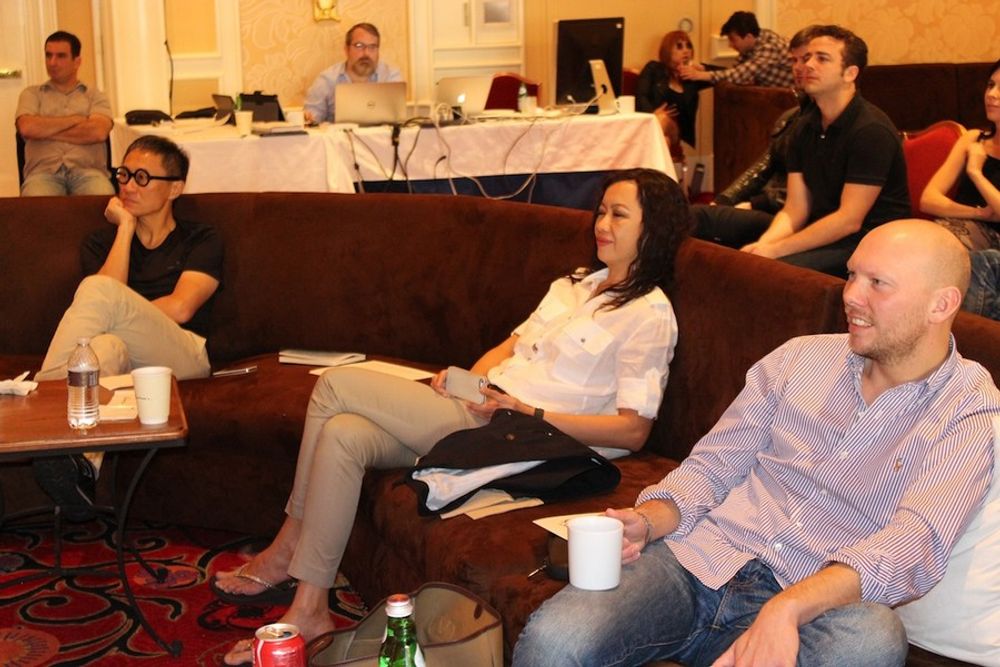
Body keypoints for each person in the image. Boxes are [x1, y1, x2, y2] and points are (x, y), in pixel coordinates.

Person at [212, 168, 690, 665]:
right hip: (485, 412)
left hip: (525, 436)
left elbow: (633, 431)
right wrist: (472, 381)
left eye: (619, 214)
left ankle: (287, 543)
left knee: (333, 385)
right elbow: (510, 346)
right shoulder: (574, 285)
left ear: (652, 229)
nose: (601, 222)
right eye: (600, 210)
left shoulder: (648, 315)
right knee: (343, 433)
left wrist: (528, 410)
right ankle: (310, 606)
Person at [513, 218, 1000, 667]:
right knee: (556, 641)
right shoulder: (799, 359)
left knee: (872, 640)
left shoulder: (968, 409)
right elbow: (712, 466)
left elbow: (916, 544)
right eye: (852, 276)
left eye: (878, 284)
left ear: (941, 304)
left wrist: (786, 608)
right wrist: (649, 520)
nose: (851, 295)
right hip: (699, 560)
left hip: (815, 602)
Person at [32, 136, 224, 517]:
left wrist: (122, 311)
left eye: (141, 177)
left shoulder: (202, 239)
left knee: (99, 293)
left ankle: (41, 404)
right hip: (124, 364)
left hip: (182, 358)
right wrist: (124, 229)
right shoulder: (101, 242)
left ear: (175, 188)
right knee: (100, 351)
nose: (128, 185)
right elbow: (103, 307)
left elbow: (182, 307)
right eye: (123, 175)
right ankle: (81, 468)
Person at [740, 25, 910, 278]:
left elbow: (848, 220)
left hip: (871, 240)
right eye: (807, 57)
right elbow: (795, 209)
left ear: (850, 73)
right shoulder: (804, 126)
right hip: (822, 229)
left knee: (775, 272)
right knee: (713, 223)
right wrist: (764, 246)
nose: (808, 65)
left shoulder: (871, 131)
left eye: (822, 59)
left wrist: (776, 251)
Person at [693, 26, 815, 248]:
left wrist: (754, 204)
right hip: (776, 208)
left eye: (808, 59)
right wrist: (724, 200)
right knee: (695, 217)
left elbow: (810, 195)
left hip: (790, 215)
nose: (800, 68)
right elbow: (764, 166)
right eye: (794, 61)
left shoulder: (831, 124)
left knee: (693, 219)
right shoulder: (793, 116)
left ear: (849, 71)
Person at [15, 30, 114, 197]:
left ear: (77, 61)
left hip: (89, 173)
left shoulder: (96, 96)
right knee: (35, 206)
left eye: (60, 56)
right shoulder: (31, 94)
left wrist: (46, 129)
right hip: (42, 174)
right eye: (48, 55)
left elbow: (97, 132)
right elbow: (27, 128)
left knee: (104, 200)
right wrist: (77, 120)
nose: (52, 62)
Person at [921, 57, 1000, 252]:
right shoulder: (972, 139)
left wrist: (975, 173)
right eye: (990, 85)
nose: (992, 94)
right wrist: (980, 213)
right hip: (958, 230)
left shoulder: (975, 153)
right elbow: (928, 200)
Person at [303, 22, 403, 124]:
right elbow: (311, 123)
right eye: (359, 46)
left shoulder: (390, 76)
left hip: (382, 139)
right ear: (347, 49)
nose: (366, 53)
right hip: (339, 139)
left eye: (372, 47)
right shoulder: (326, 80)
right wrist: (309, 119)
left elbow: (398, 123)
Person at [636, 31, 711, 163]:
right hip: (652, 124)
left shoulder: (692, 77)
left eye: (688, 46)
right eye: (679, 47)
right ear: (667, 50)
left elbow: (724, 74)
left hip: (678, 134)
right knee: (663, 129)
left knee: (663, 120)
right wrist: (652, 113)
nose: (686, 51)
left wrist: (702, 69)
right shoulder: (654, 69)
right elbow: (640, 96)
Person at [679, 12, 793, 88]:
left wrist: (699, 75)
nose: (730, 45)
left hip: (793, 100)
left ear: (748, 37)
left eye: (733, 40)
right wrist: (704, 68)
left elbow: (739, 74)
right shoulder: (754, 41)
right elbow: (735, 70)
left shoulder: (769, 47)